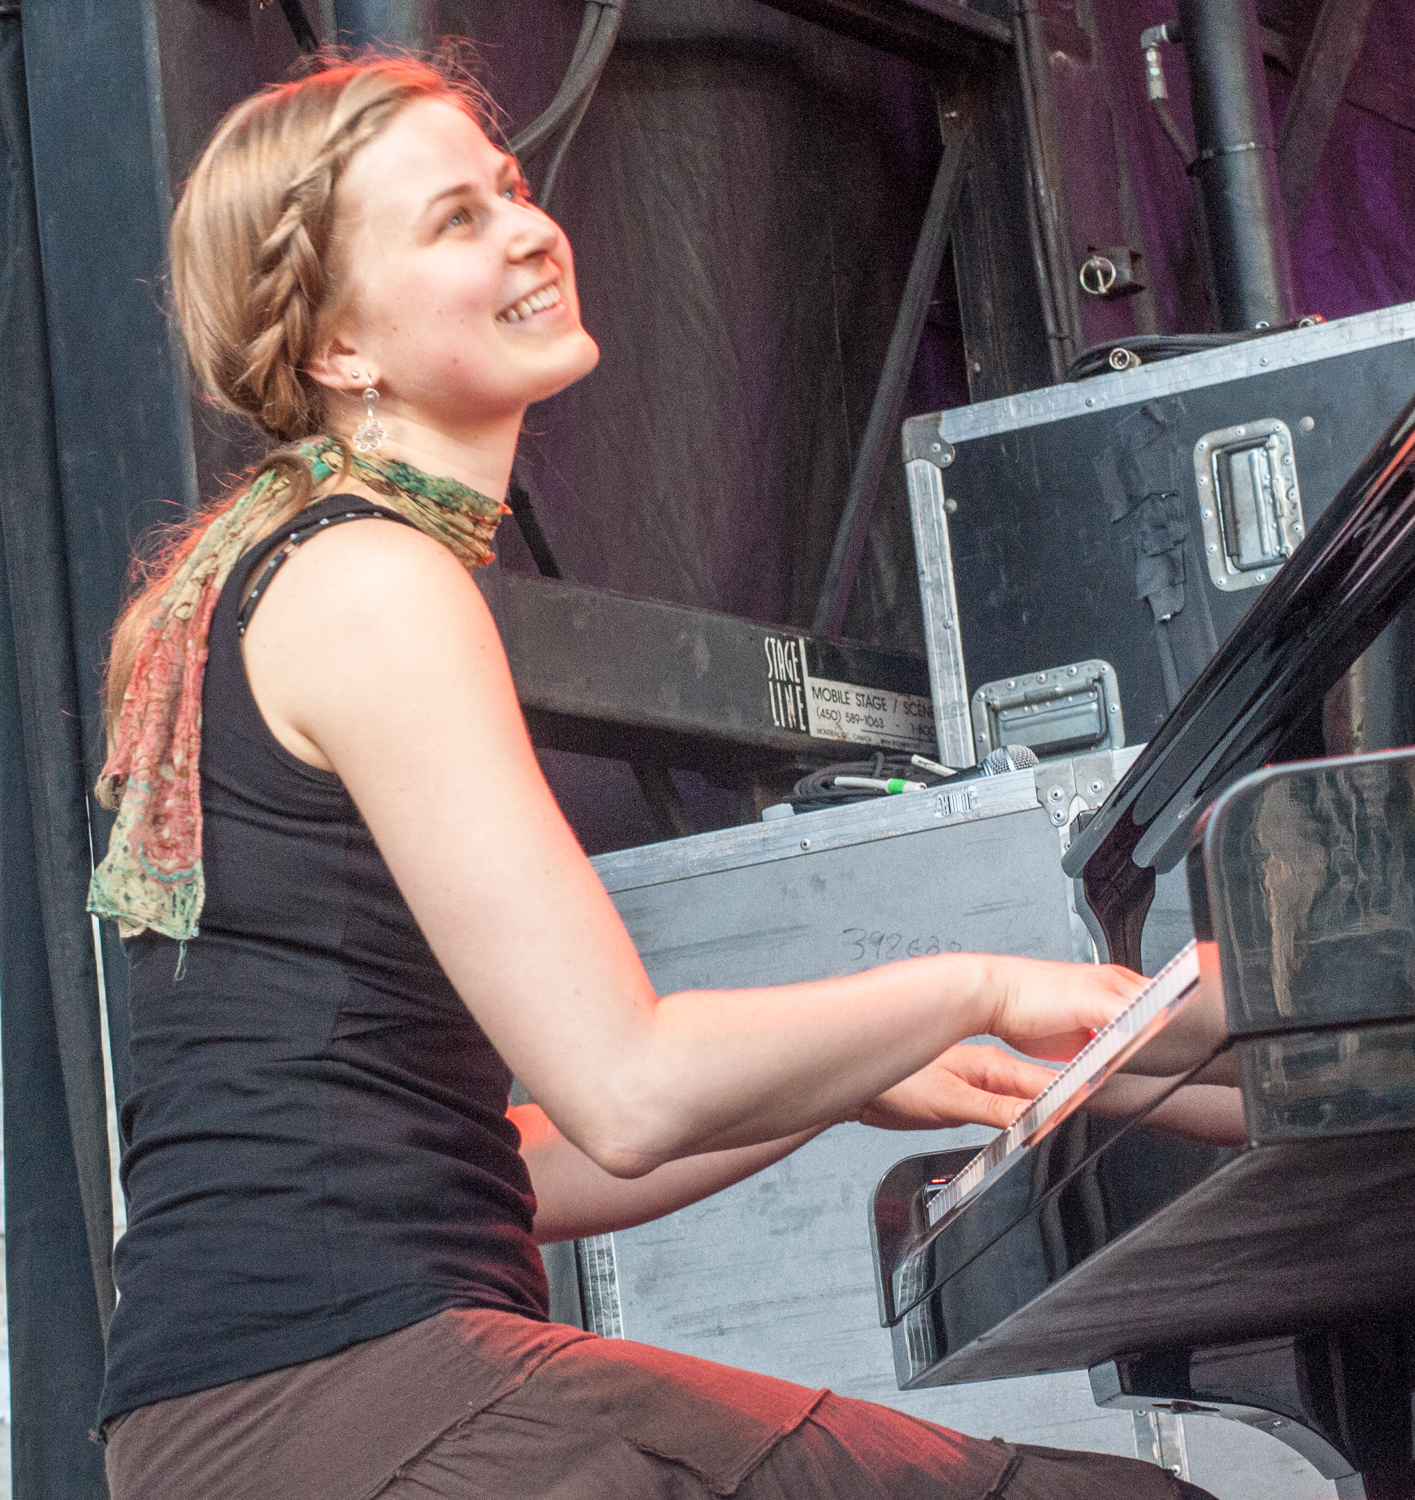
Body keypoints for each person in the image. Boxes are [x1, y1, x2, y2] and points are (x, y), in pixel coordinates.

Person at [87, 53, 1222, 1500]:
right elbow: (624, 1087)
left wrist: (848, 1079)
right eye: (451, 222)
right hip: (375, 1405)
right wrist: (977, 987)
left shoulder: (281, 576)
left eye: (505, 189)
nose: (525, 229)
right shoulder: (370, 581)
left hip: (245, 1429)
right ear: (339, 354)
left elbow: (504, 1167)